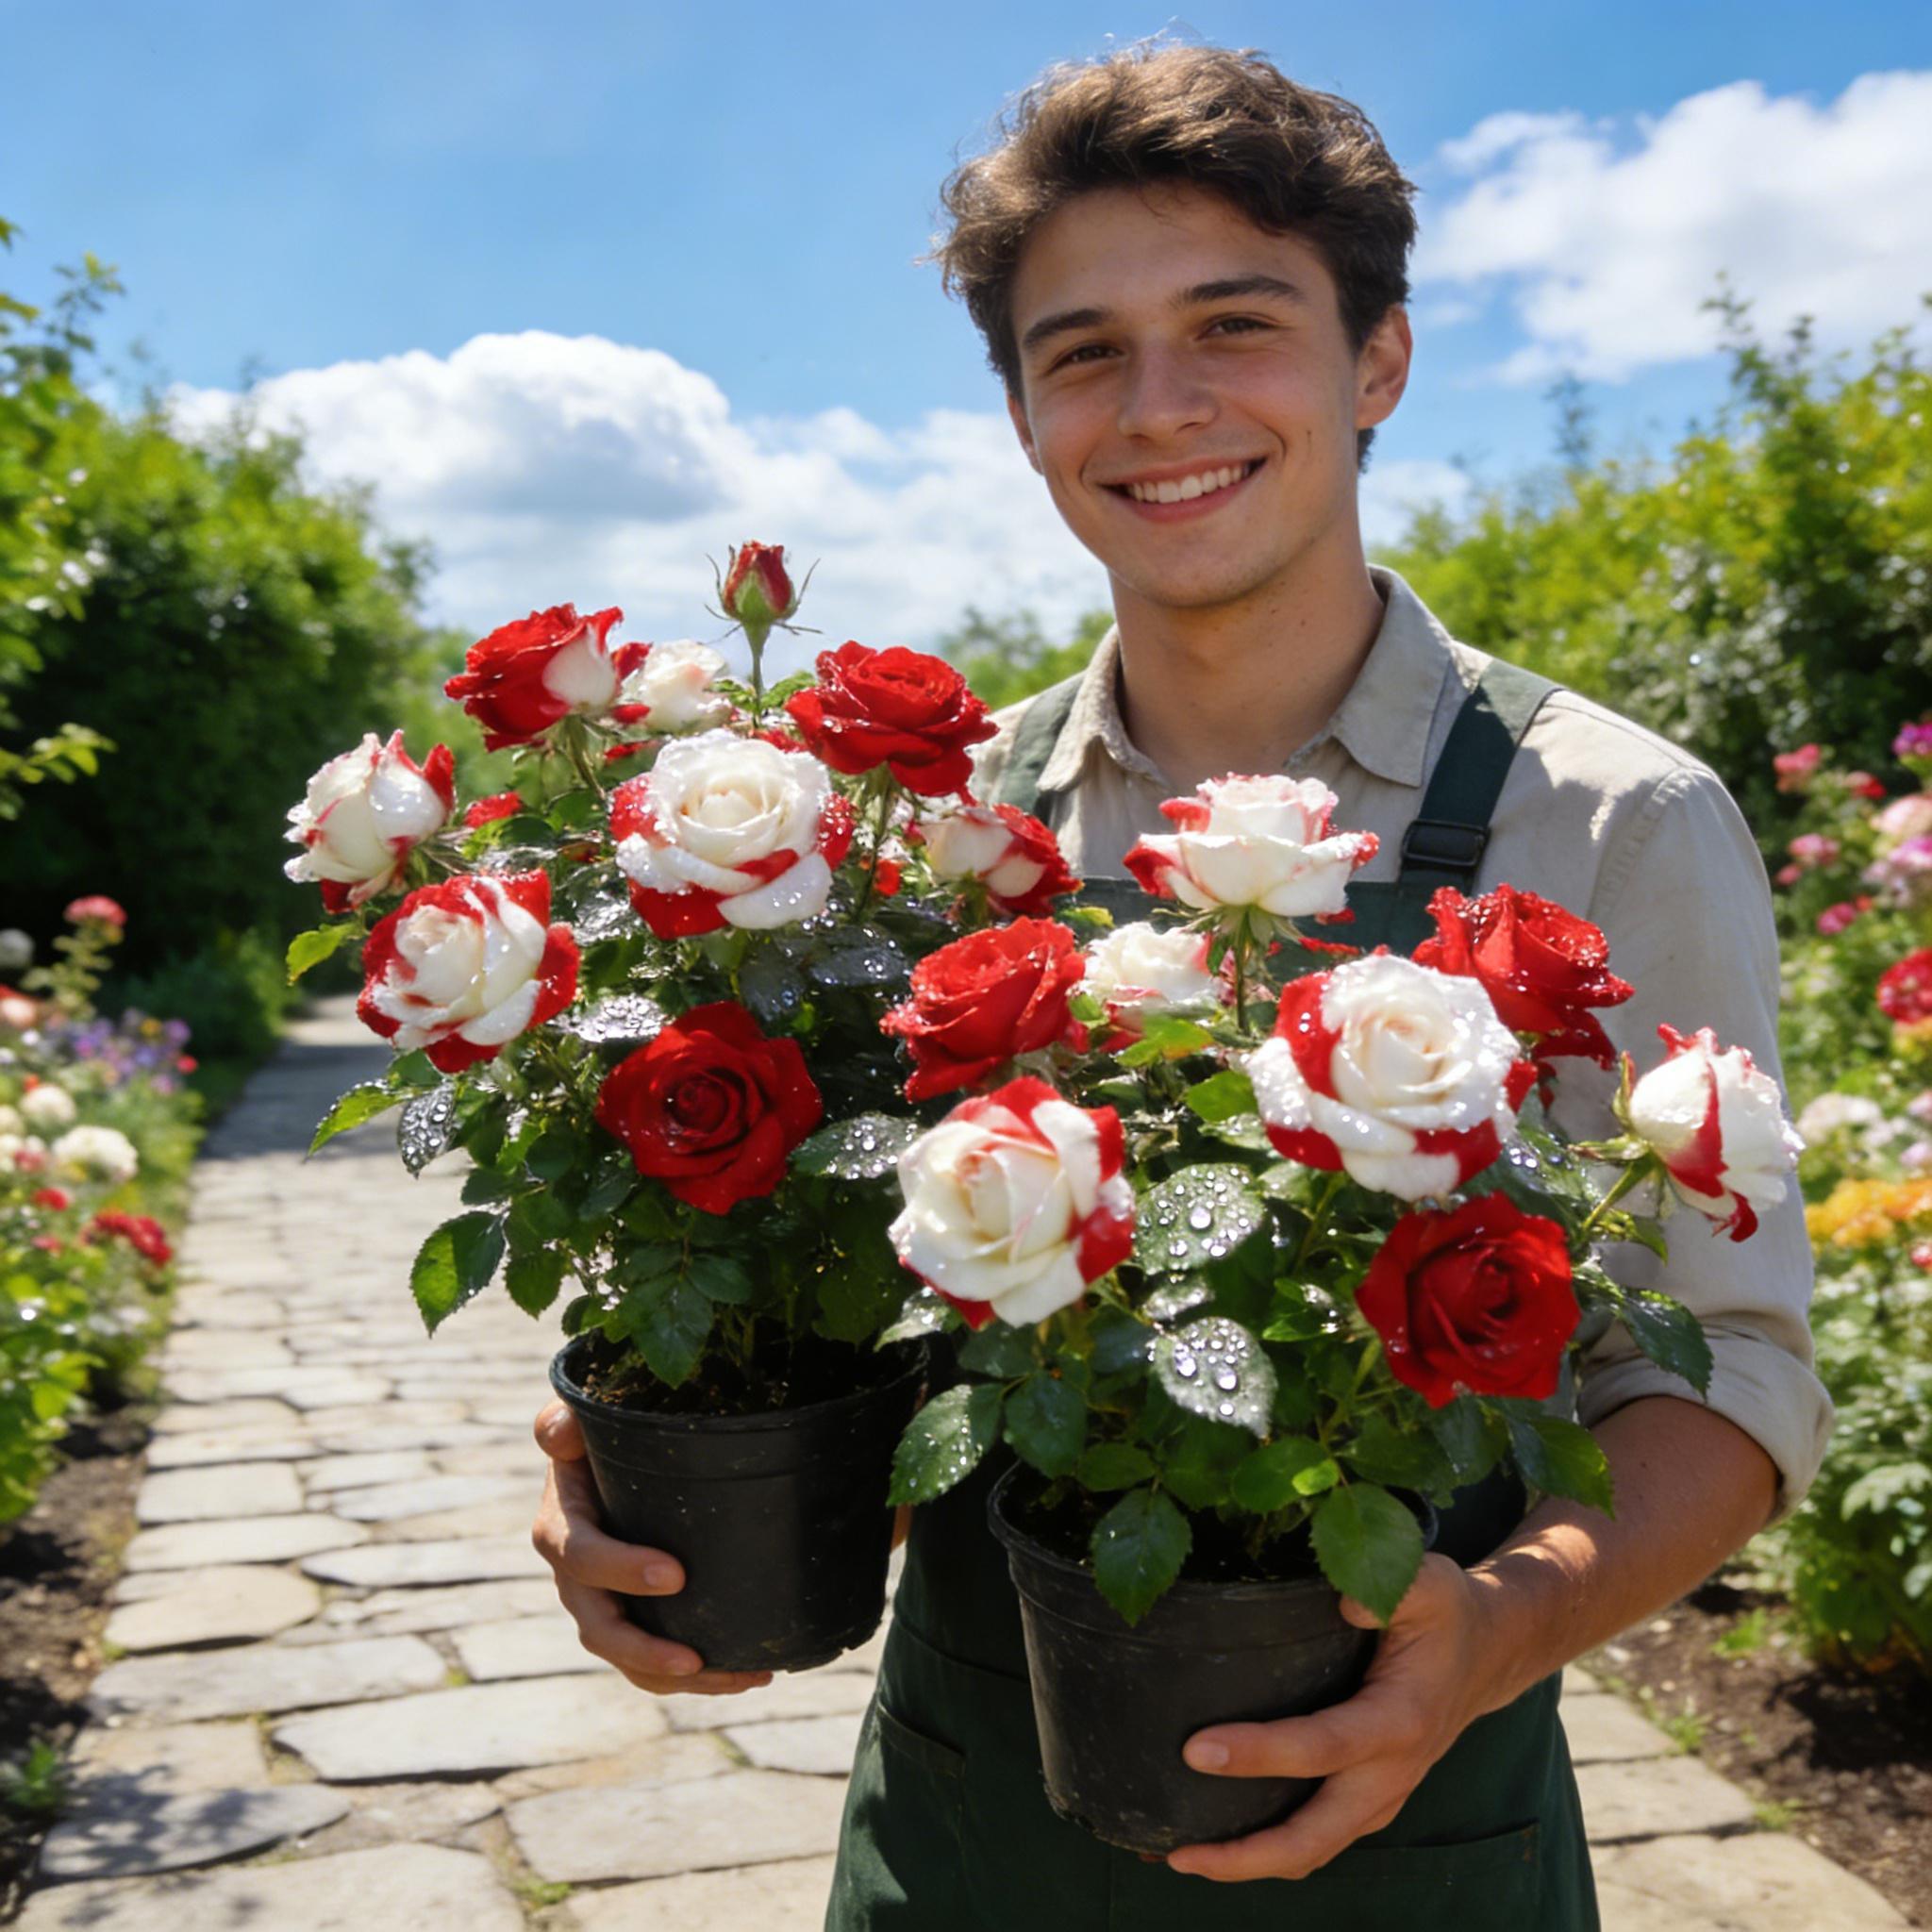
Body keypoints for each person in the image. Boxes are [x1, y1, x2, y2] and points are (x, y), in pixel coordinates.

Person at [529, 42, 1829, 1928]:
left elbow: (1739, 1366)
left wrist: (1488, 1633)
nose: (1157, 407)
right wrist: (687, 1501)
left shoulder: (1610, 820)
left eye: (1234, 322)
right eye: (1080, 351)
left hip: (1411, 1831)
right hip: (967, 1820)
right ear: (1022, 415)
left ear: (1374, 362)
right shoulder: (932, 837)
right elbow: (869, 1339)